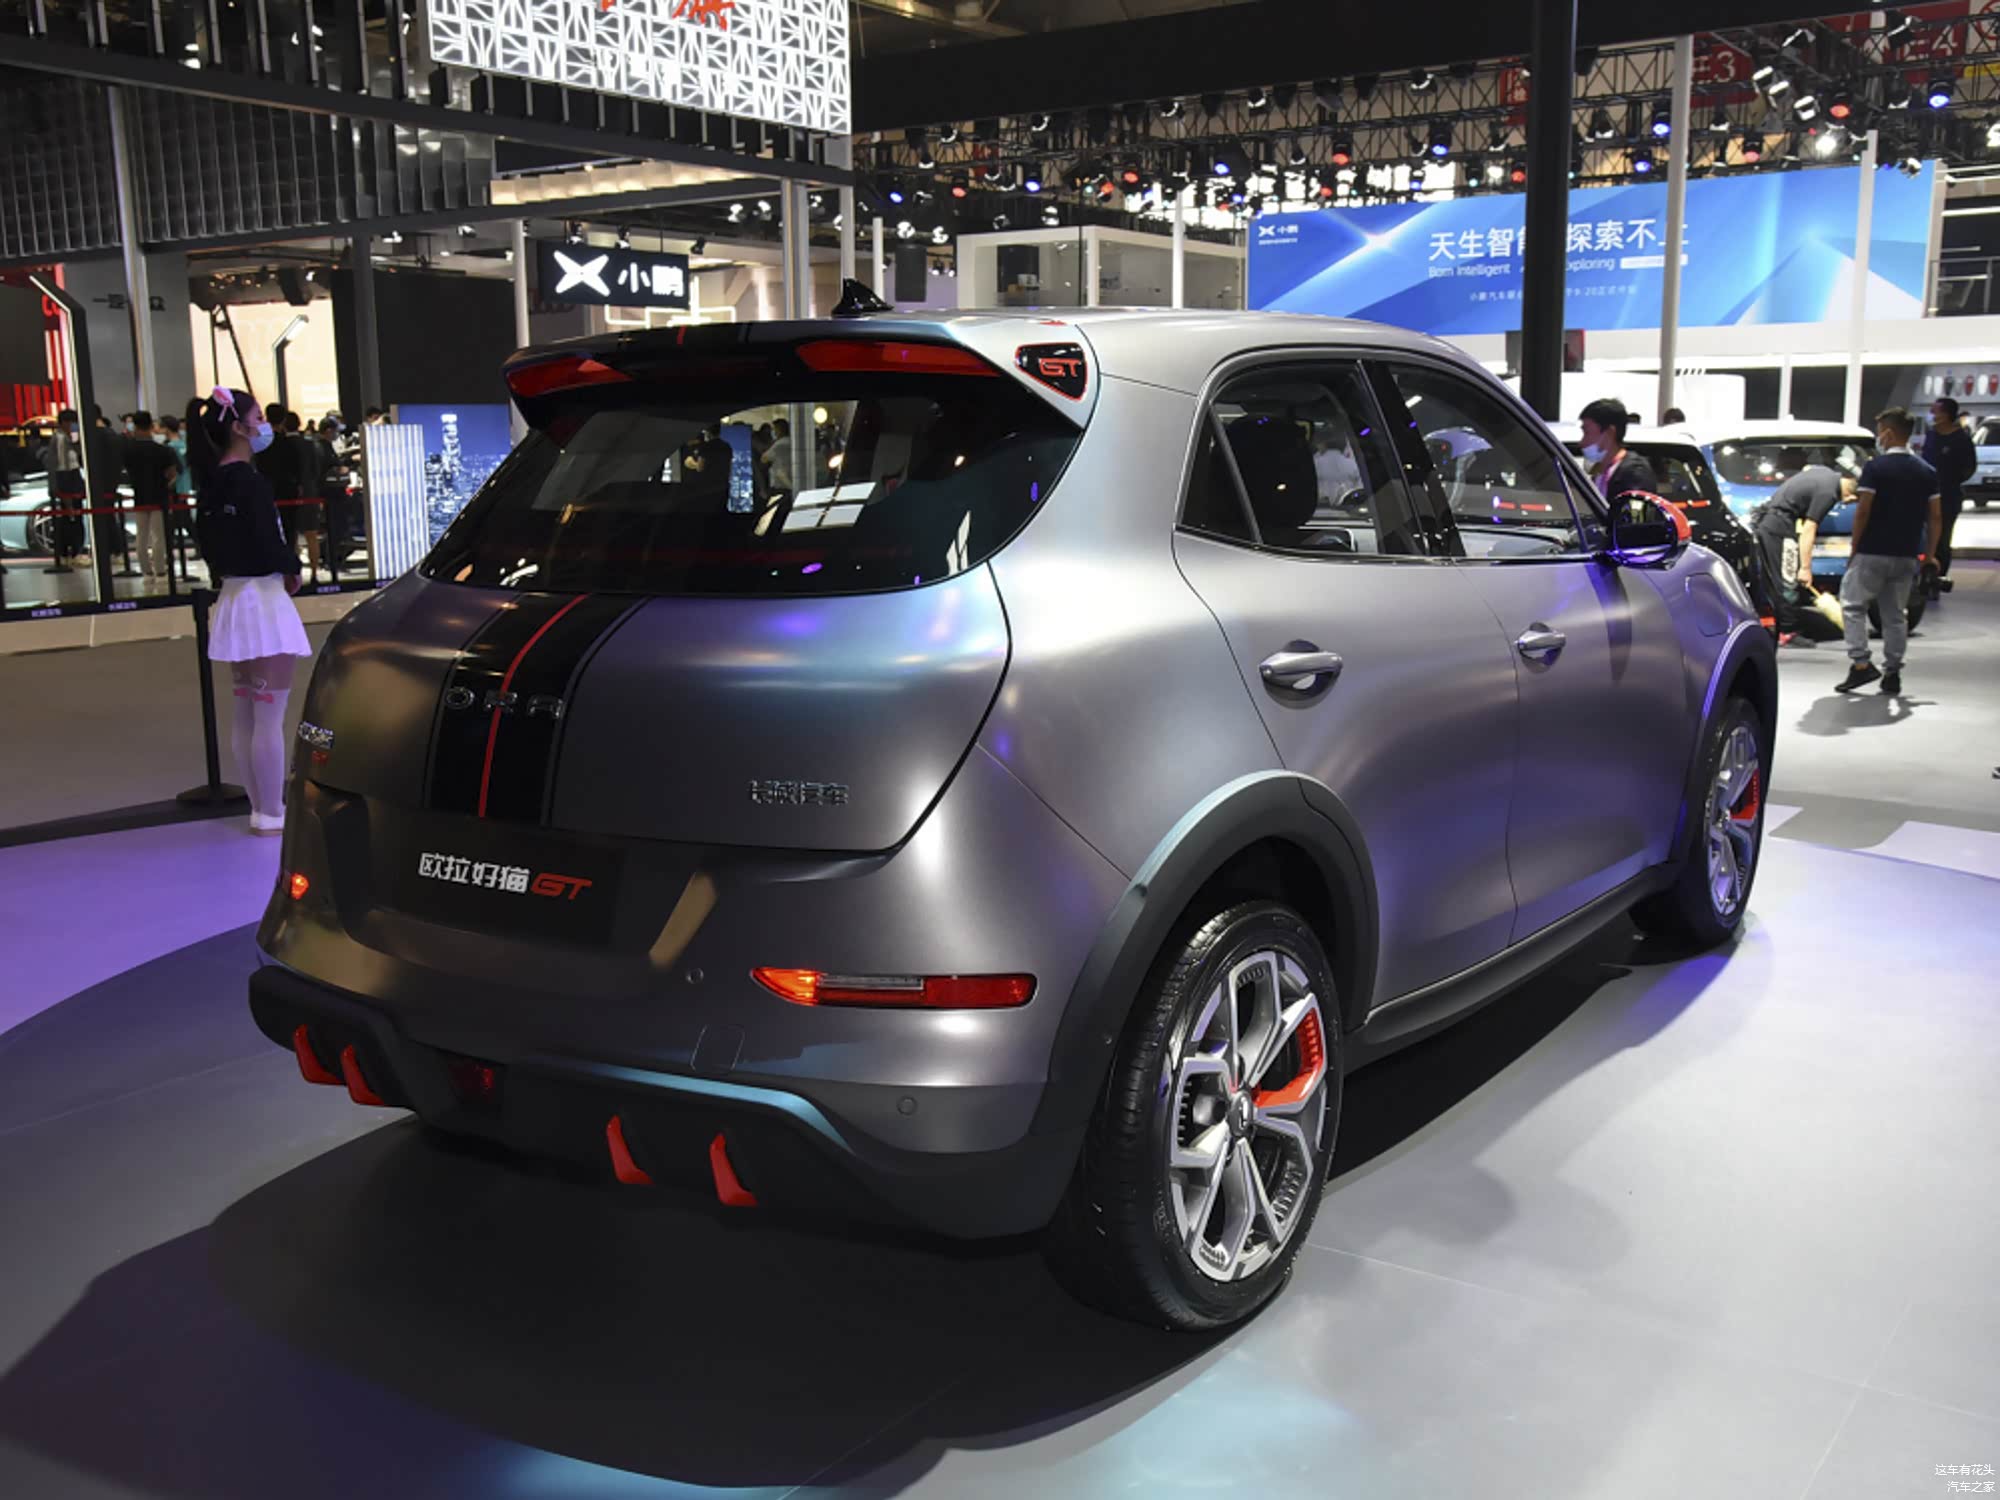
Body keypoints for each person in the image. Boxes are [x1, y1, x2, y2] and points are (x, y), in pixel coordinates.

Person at [186, 387, 310, 834]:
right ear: (238, 427)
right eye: (257, 417)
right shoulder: (250, 482)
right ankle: (272, 812)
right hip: (263, 601)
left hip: (234, 600)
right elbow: (267, 539)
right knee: (270, 716)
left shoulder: (211, 483)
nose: (264, 425)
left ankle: (261, 808)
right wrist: (292, 567)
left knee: (246, 711)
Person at [1837, 407, 1942, 697]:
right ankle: (1892, 672)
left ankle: (1861, 663)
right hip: (1907, 553)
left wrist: (1854, 548)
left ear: (1889, 433)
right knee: (1895, 615)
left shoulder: (1876, 468)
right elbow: (1935, 516)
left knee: (1852, 605)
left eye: (1880, 431)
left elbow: (1863, 511)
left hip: (1873, 550)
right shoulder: (1926, 471)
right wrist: (1930, 554)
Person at [1752, 463, 1854, 643]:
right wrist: (1805, 568)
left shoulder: (1824, 473)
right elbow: (1809, 529)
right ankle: (1787, 631)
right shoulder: (1828, 493)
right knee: (1787, 580)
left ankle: (1780, 626)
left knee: (1777, 581)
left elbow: (1807, 468)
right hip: (1779, 526)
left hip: (1769, 522)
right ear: (1851, 494)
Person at [1921, 395, 1975, 596]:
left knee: (1942, 540)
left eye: (1935, 411)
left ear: (1945, 415)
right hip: (1926, 494)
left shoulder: (1961, 439)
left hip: (1948, 497)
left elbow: (1968, 468)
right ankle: (1923, 576)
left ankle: (1938, 578)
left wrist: (1949, 481)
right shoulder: (1931, 435)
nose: (1931, 415)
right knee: (1925, 537)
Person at [121, 411, 181, 580]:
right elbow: (172, 473)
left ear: (135, 426)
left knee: (141, 536)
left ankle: (146, 571)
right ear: (151, 426)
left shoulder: (128, 450)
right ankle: (160, 570)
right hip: (158, 497)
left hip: (139, 496)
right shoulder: (162, 450)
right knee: (158, 536)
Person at [1578, 397, 1659, 499]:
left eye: (1587, 433)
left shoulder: (1635, 474)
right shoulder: (1599, 473)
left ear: (1610, 432)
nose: (1582, 443)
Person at [45, 408, 87, 572]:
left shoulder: (71, 438)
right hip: (65, 477)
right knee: (68, 517)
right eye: (71, 423)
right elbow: (56, 463)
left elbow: (78, 454)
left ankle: (75, 551)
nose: (73, 426)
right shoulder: (58, 438)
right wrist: (54, 486)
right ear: (63, 423)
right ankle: (69, 553)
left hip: (74, 475)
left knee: (76, 516)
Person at [159, 413, 193, 578]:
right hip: (184, 487)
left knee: (176, 524)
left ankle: (170, 557)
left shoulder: (169, 447)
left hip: (175, 490)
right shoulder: (184, 443)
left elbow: (176, 469)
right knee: (184, 522)